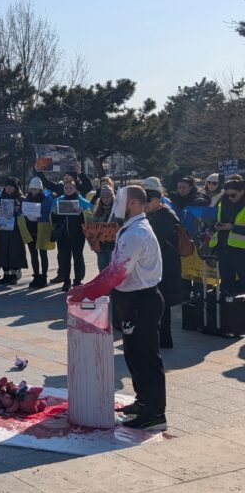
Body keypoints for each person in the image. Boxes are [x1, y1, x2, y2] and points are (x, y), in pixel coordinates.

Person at [69, 186, 167, 430]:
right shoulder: (131, 228)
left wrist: (86, 293)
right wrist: (87, 286)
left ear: (134, 203)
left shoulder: (136, 233)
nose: (116, 206)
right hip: (131, 299)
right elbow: (113, 267)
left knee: (146, 357)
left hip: (141, 300)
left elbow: (116, 273)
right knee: (133, 355)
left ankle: (155, 413)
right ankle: (143, 401)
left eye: (120, 201)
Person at [143, 184, 183, 349]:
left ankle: (164, 339)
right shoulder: (155, 214)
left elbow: (155, 240)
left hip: (166, 265)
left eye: (148, 201)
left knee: (162, 302)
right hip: (161, 263)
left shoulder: (164, 216)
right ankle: (161, 338)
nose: (145, 204)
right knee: (159, 301)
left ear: (158, 200)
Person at [49, 178, 92, 292]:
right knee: (64, 259)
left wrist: (81, 213)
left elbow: (90, 216)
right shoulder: (58, 201)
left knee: (78, 258)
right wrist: (54, 213)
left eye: (70, 188)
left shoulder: (81, 201)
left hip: (77, 236)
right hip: (62, 236)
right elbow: (53, 220)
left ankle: (77, 281)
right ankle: (66, 282)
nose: (68, 190)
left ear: (75, 188)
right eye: (66, 188)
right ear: (63, 189)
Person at [209, 178, 245, 296]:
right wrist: (215, 225)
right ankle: (228, 312)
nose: (230, 197)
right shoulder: (223, 202)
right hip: (224, 249)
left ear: (242, 191)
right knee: (226, 285)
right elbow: (215, 220)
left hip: (241, 251)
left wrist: (233, 227)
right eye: (227, 194)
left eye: (233, 195)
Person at [0, 177, 29, 286]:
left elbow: (27, 214)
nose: (8, 188)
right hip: (2, 230)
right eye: (7, 186)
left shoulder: (21, 199)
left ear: (16, 188)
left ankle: (14, 275)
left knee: (15, 252)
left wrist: (19, 211)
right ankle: (6, 274)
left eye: (11, 186)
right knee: (3, 252)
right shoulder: (0, 199)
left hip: (16, 231)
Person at [23, 177, 54, 288]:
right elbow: (24, 211)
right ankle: (36, 276)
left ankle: (44, 277)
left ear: (40, 189)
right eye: (32, 189)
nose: (34, 191)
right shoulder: (27, 198)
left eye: (36, 189)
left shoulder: (46, 199)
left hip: (42, 228)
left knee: (43, 253)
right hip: (31, 229)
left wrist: (38, 216)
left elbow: (48, 212)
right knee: (33, 255)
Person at [91, 186, 117, 271]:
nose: (106, 199)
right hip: (101, 247)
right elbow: (93, 229)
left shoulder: (118, 211)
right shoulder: (97, 211)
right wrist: (93, 244)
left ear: (112, 197)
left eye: (108, 197)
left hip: (113, 247)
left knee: (112, 272)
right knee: (102, 272)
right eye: (103, 197)